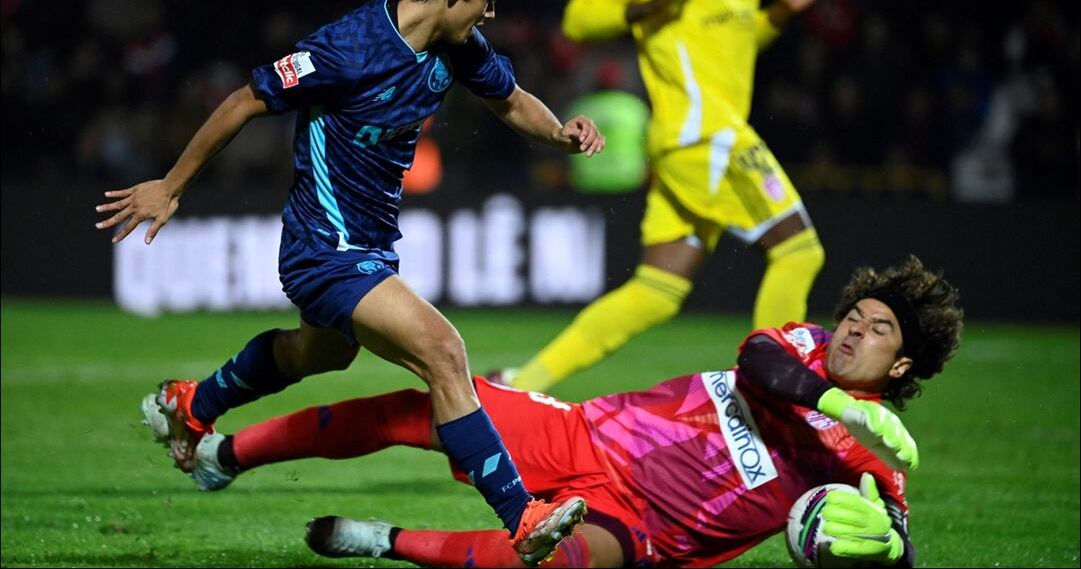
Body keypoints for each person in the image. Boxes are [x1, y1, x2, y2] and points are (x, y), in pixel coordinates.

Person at [93, 0, 604, 565]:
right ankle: (521, 515)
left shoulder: (458, 48)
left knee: (320, 355)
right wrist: (171, 185)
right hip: (322, 248)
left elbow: (510, 101)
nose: (491, 11)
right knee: (444, 353)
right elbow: (245, 100)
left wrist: (559, 133)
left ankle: (193, 405)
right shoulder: (347, 48)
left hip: (369, 244)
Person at [176, 256, 962, 568]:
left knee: (554, 562)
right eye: (854, 315)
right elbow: (757, 356)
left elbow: (895, 544)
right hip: (583, 432)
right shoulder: (802, 350)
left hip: (650, 529)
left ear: (900, 366)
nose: (852, 329)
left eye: (876, 330)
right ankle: (225, 456)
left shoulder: (872, 461)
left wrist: (882, 546)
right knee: (414, 412)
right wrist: (830, 399)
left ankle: (382, 541)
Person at [497, 0, 832, 393]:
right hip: (703, 131)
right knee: (799, 253)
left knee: (658, 290)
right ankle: (773, 400)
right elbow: (579, 19)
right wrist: (651, 4)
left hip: (706, 135)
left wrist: (780, 13)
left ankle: (520, 384)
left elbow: (734, 44)